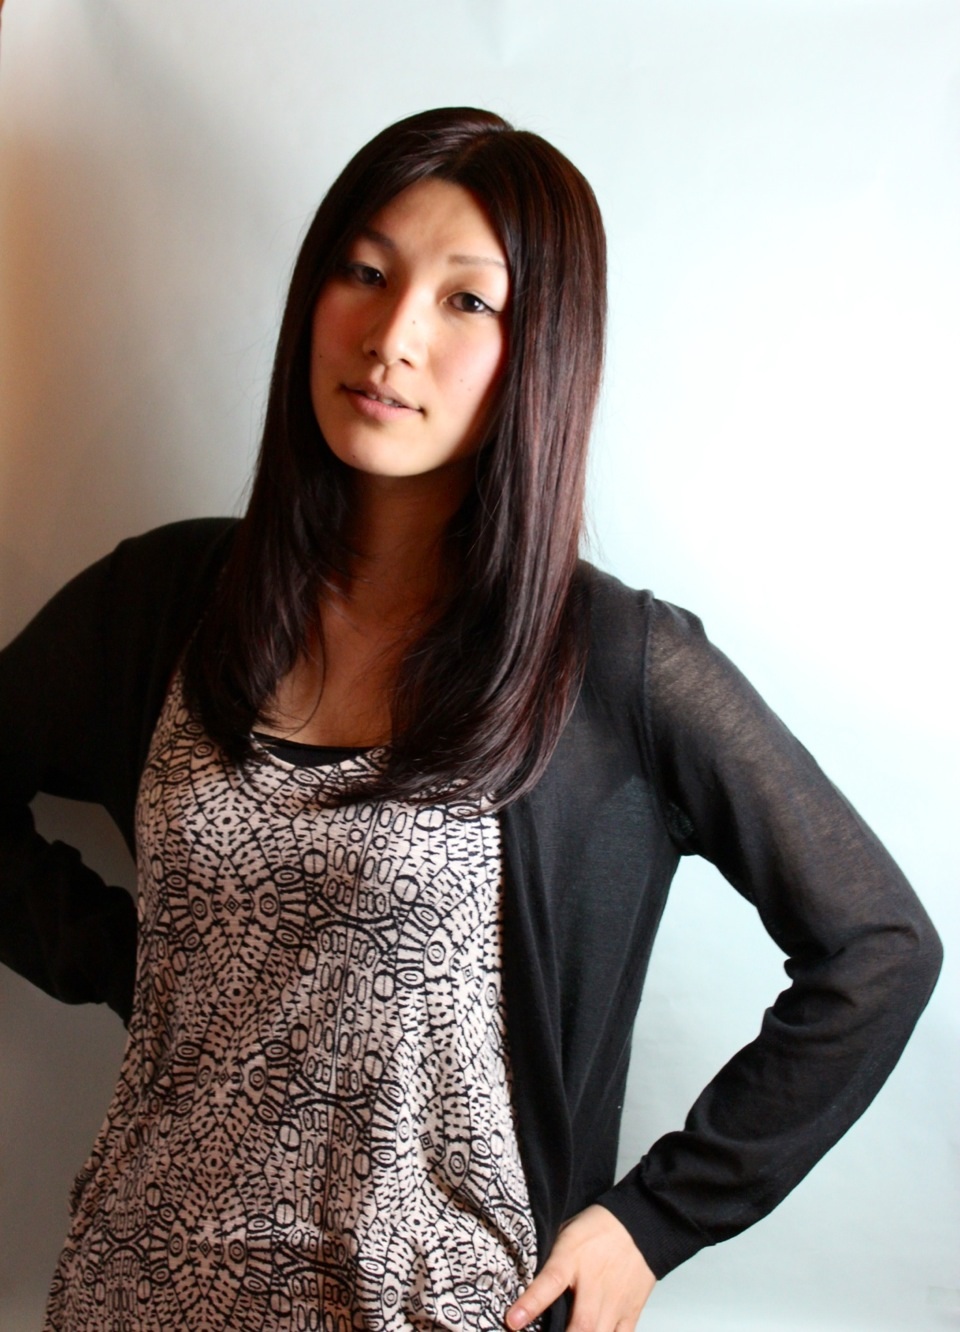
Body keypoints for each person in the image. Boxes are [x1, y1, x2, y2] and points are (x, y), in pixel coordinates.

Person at [0, 106, 942, 1332]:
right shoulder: (170, 602)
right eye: (364, 272)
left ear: (538, 350)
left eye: (465, 301)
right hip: (132, 1292)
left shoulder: (615, 666)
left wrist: (657, 1220)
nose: (393, 338)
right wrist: (130, 960)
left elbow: (879, 948)